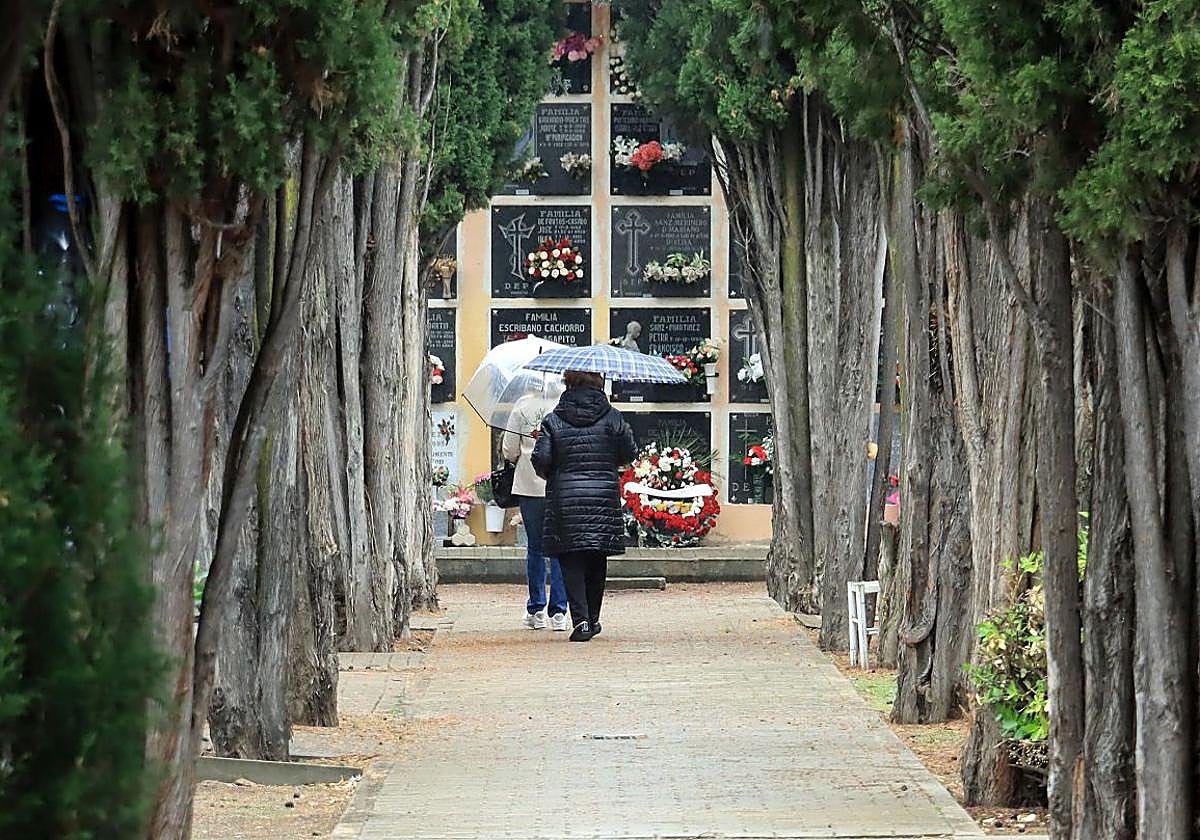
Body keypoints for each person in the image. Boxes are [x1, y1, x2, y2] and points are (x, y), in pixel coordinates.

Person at [532, 370, 637, 641]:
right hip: (602, 496)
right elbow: (629, 452)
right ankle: (593, 618)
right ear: (598, 383)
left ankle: (581, 622)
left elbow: (541, 460)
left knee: (571, 559)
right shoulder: (613, 417)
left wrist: (553, 473)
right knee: (596, 557)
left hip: (566, 498)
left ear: (568, 383)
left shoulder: (553, 420)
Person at [503, 394, 569, 631]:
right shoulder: (565, 404)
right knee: (560, 547)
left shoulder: (523, 405)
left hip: (530, 484)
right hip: (560, 483)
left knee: (535, 547)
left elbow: (510, 449)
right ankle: (559, 612)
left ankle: (537, 608)